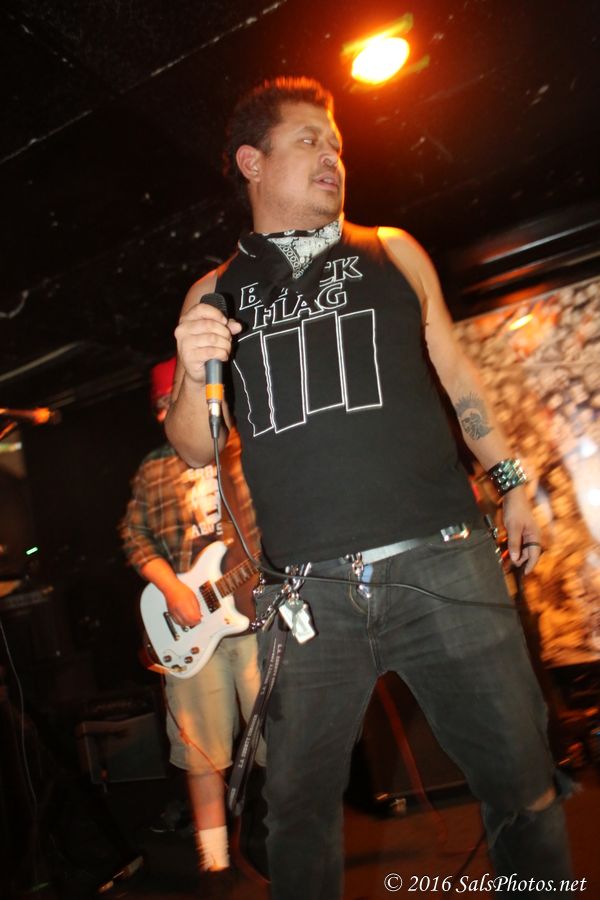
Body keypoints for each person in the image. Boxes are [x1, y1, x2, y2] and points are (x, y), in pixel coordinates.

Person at [164, 78, 574, 898]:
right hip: (306, 594)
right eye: (309, 140)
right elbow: (196, 444)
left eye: (337, 145)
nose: (332, 157)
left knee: (521, 783)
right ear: (252, 162)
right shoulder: (215, 292)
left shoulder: (392, 249)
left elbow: (459, 378)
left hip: (445, 562)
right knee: (297, 816)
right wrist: (188, 364)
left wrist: (511, 482)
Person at [120, 357, 265, 884]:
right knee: (203, 755)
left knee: (285, 742)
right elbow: (134, 536)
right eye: (161, 404)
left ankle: (292, 848)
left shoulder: (249, 449)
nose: (168, 411)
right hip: (192, 629)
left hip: (258, 618)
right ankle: (216, 866)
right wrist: (171, 586)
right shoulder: (153, 468)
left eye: (176, 399)